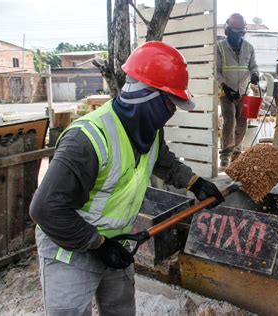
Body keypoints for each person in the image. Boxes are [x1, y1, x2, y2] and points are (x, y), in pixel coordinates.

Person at [29, 41, 224, 316]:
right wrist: (97, 243)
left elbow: (161, 159)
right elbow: (44, 209)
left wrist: (194, 183)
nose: (170, 113)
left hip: (116, 242)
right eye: (169, 103)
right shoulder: (86, 140)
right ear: (146, 95)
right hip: (70, 248)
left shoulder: (149, 129)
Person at [217, 13, 259, 167]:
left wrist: (255, 75)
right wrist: (225, 87)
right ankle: (226, 153)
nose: (238, 35)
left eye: (241, 32)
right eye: (235, 32)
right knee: (229, 120)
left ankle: (236, 153)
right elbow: (217, 71)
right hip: (226, 91)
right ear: (228, 30)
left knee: (242, 122)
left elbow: (254, 66)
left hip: (243, 90)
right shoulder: (220, 47)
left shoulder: (249, 47)